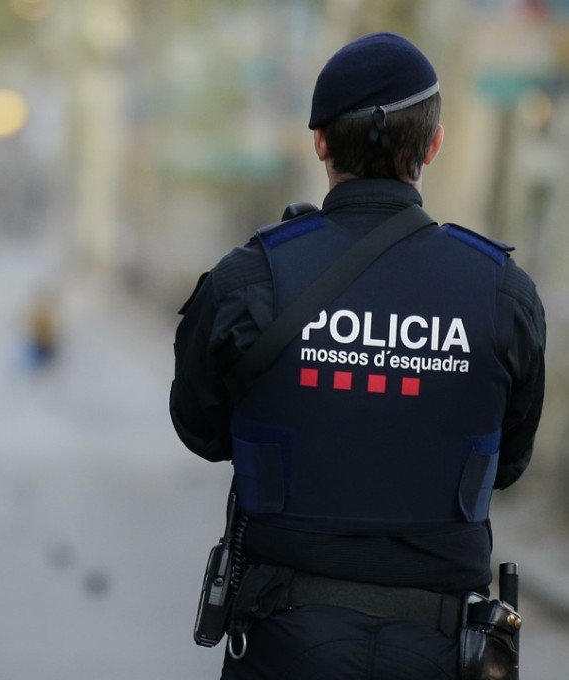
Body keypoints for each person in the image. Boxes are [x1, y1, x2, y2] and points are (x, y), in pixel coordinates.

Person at [170, 32, 545, 680]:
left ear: (320, 143)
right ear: (433, 144)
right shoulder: (501, 292)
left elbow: (201, 429)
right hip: (443, 649)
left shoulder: (252, 278)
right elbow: (507, 463)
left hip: (284, 641)